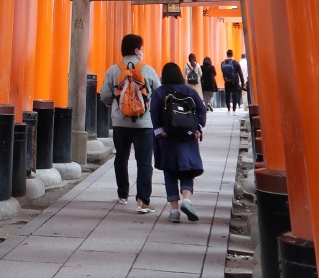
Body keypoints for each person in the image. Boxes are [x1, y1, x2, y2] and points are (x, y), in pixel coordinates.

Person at [100, 33, 160, 214]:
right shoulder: (147, 70)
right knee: (144, 162)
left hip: (120, 123)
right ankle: (143, 200)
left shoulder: (113, 70)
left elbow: (104, 94)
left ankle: (122, 194)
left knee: (121, 157)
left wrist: (116, 106)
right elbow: (158, 94)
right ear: (136, 50)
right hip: (144, 123)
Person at [150, 62, 207, 222]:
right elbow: (201, 109)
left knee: (170, 172)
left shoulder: (160, 93)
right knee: (187, 169)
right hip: (187, 137)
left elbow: (154, 113)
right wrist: (198, 128)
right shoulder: (190, 91)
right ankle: (187, 200)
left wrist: (161, 131)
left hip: (168, 138)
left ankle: (174, 211)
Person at [221, 48, 245, 112]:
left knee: (227, 94)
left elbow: (223, 72)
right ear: (232, 54)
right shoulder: (236, 63)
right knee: (235, 94)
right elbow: (240, 73)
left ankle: (228, 108)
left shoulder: (223, 63)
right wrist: (242, 83)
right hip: (234, 81)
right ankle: (234, 109)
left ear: (227, 54)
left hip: (227, 81)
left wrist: (225, 79)